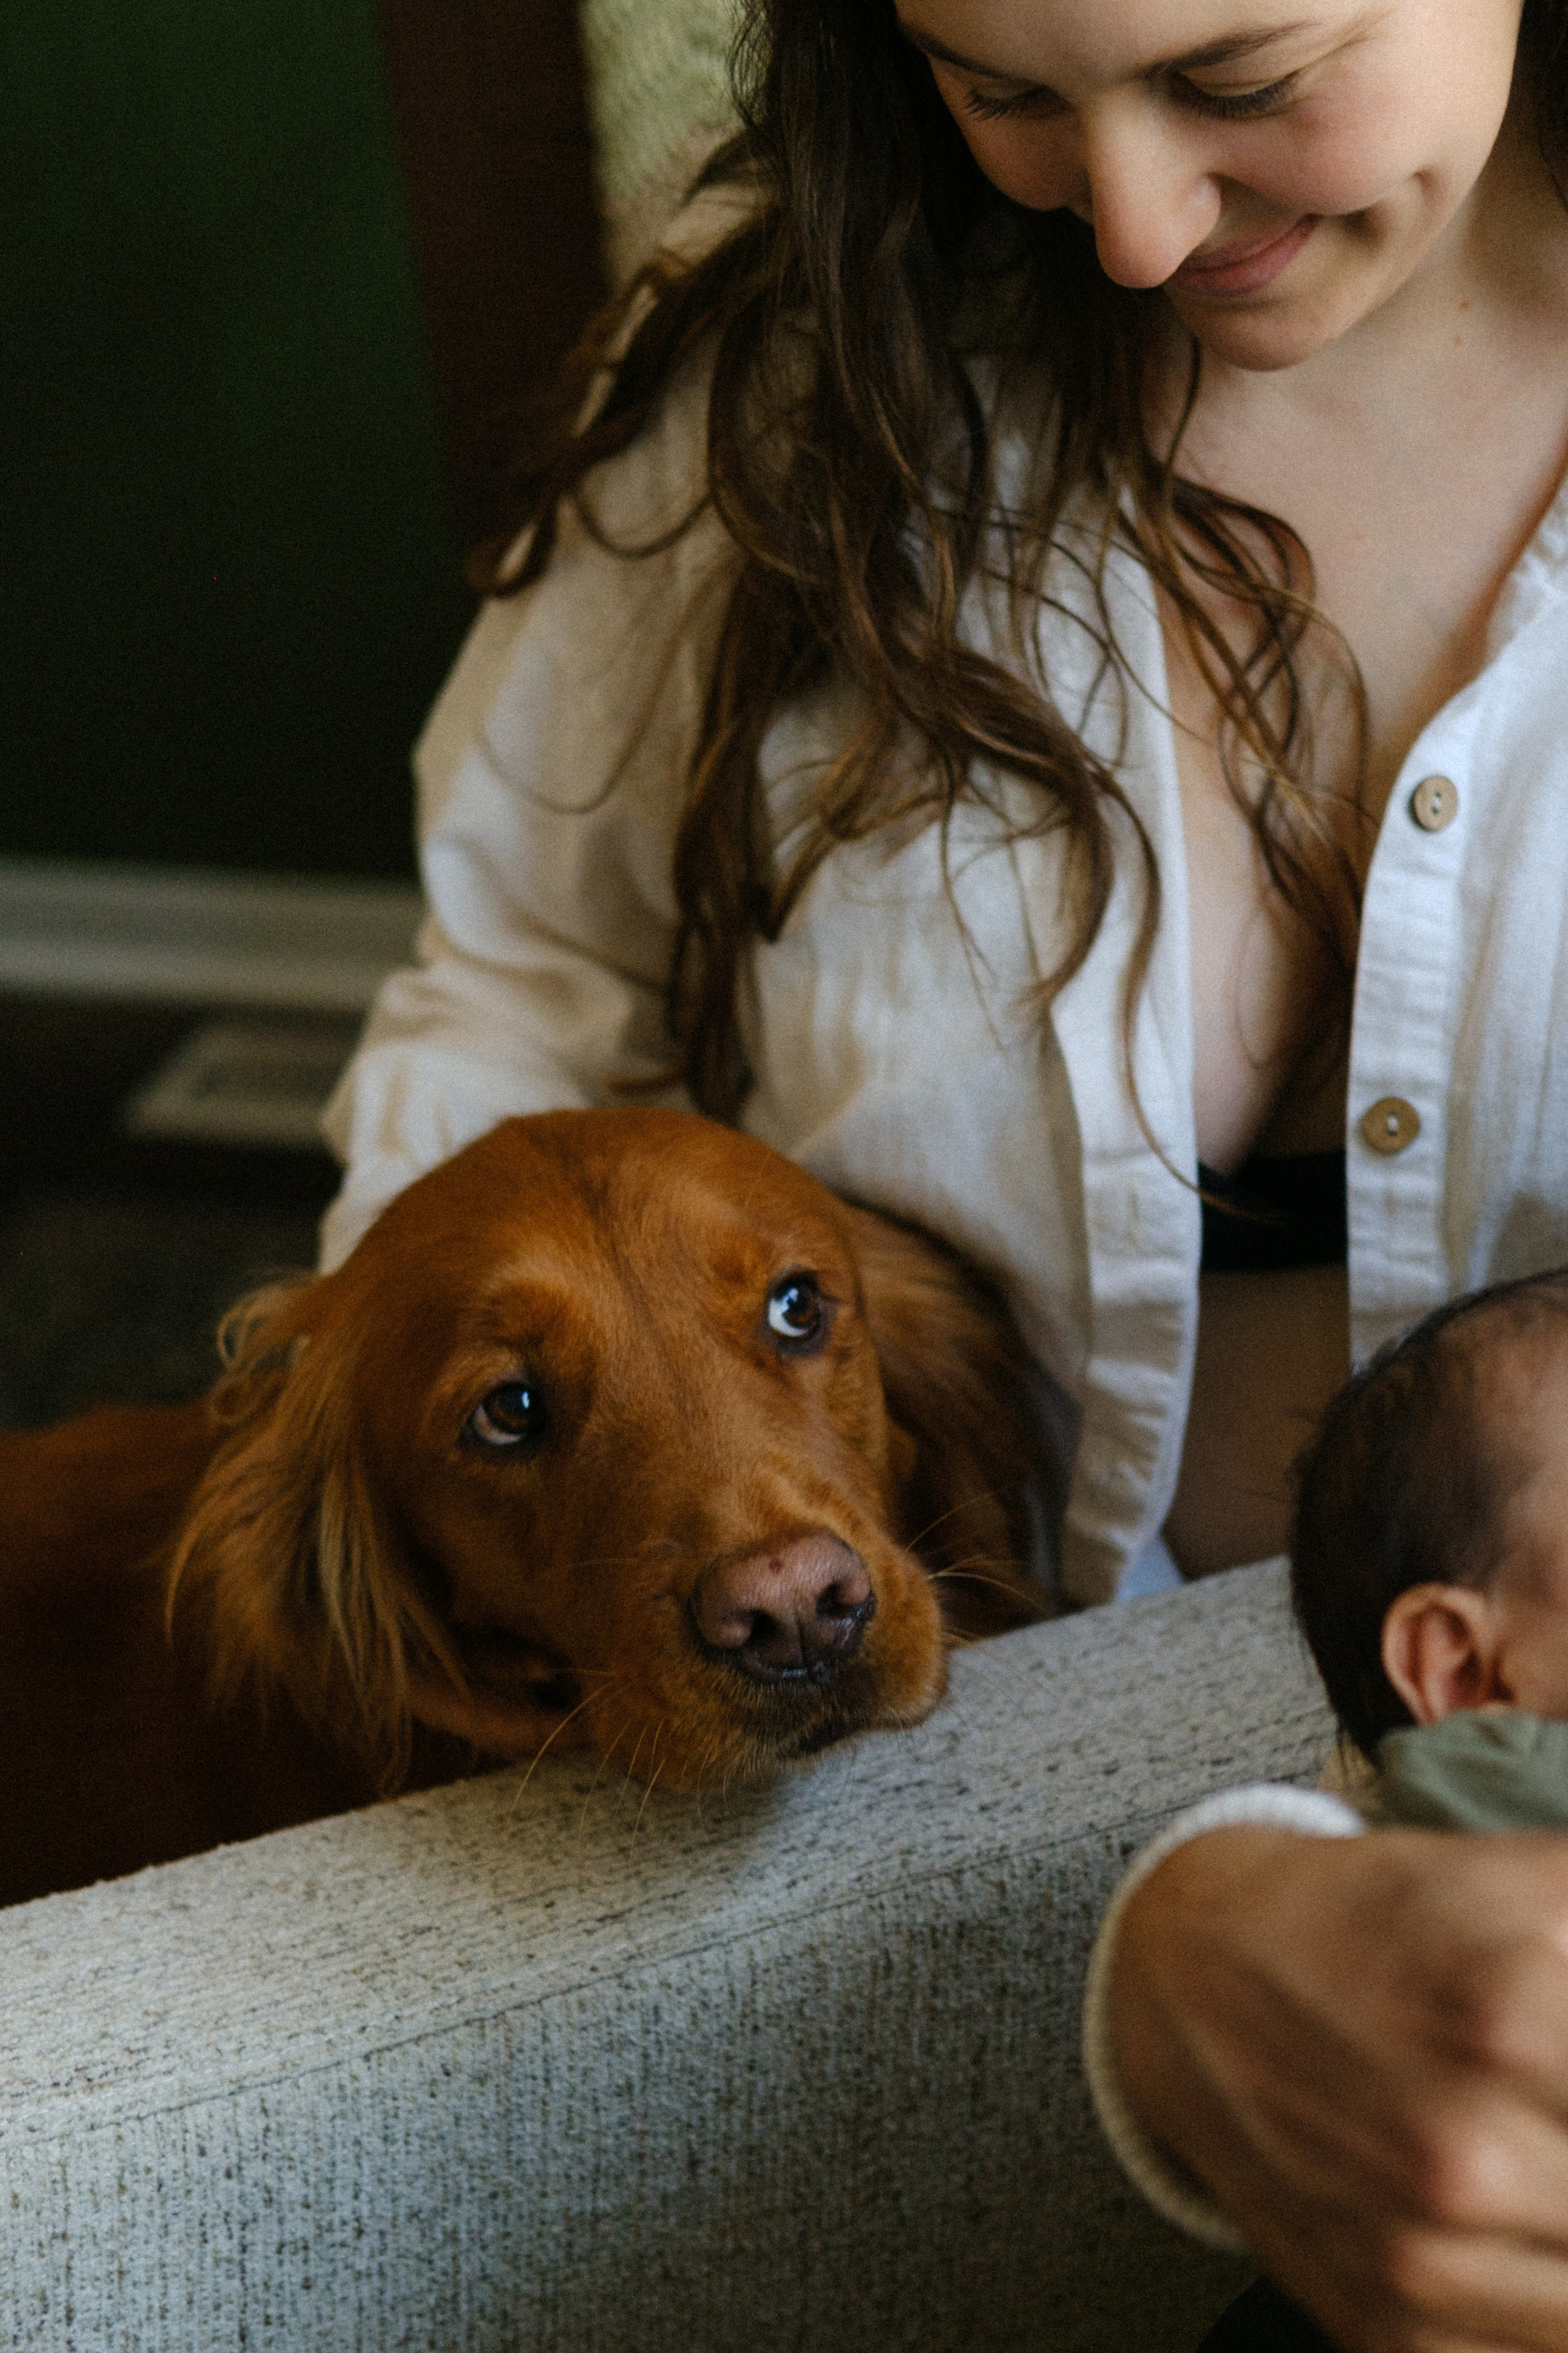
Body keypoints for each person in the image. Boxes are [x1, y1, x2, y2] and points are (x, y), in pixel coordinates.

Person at [320, 0, 1568, 2338]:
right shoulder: (796, 369)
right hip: (859, 1762)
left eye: (1241, 71)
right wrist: (466, 1510)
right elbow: (510, 991)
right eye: (997, 87)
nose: (1123, 221)